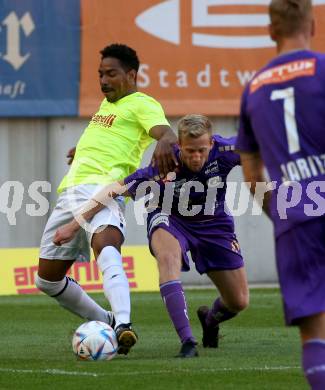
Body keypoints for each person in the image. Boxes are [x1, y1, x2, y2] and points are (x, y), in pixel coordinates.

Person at [53, 114, 249, 358]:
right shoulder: (165, 162)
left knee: (238, 301)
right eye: (190, 151)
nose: (196, 157)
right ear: (179, 144)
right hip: (168, 216)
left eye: (201, 150)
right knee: (168, 259)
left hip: (213, 222)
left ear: (211, 144)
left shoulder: (228, 149)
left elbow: (265, 147)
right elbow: (115, 189)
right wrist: (74, 225)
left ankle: (210, 321)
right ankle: (187, 342)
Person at [37, 43, 177, 355]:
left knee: (105, 244)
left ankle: (125, 324)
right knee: (46, 280)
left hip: (103, 189)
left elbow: (165, 133)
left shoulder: (141, 103)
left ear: (131, 75)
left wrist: (166, 142)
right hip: (70, 191)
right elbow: (110, 137)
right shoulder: (107, 105)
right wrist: (81, 150)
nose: (103, 80)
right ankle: (108, 320)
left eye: (111, 74)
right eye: (100, 74)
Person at [236, 1, 325, 388]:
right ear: (314, 24)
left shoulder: (253, 88)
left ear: (271, 30)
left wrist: (285, 213)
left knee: (315, 328)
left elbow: (252, 174)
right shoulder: (322, 70)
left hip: (294, 211)